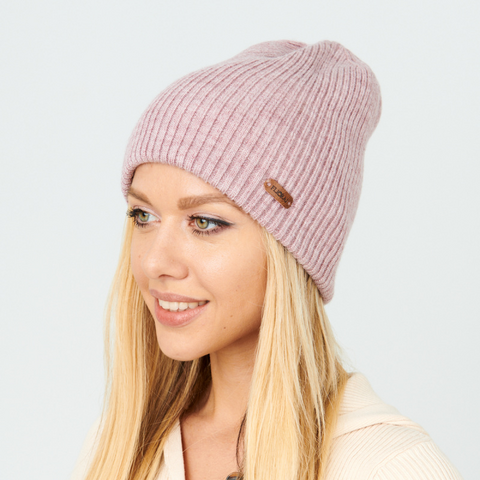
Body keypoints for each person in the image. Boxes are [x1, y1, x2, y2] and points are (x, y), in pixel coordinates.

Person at [71, 40, 462, 480]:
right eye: (143, 215)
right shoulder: (119, 448)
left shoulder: (388, 466)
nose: (154, 263)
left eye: (204, 222)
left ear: (292, 248)